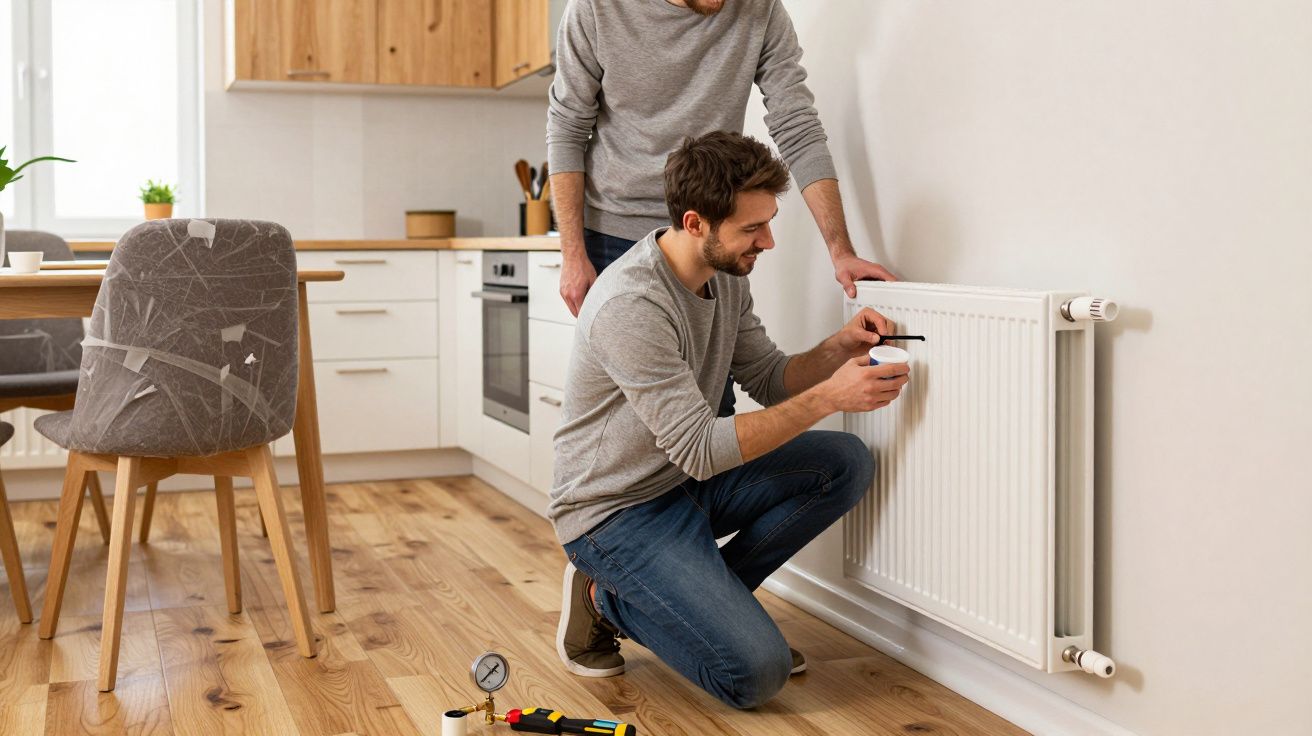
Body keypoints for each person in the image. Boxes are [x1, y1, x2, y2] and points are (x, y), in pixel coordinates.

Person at [550, 131, 909, 709]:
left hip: (680, 486)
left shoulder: (724, 280)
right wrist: (830, 399)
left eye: (768, 223)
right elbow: (700, 448)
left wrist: (839, 348)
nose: (767, 242)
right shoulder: (631, 304)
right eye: (752, 228)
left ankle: (714, 612)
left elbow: (768, 379)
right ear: (696, 223)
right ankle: (604, 598)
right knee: (755, 675)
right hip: (614, 513)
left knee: (843, 461)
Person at [546, 0, 897, 415]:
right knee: (631, 421)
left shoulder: (760, 8)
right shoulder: (596, 8)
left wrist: (841, 251)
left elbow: (797, 127)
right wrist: (572, 254)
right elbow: (568, 128)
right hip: (615, 235)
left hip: (713, 234)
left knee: (711, 405)